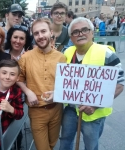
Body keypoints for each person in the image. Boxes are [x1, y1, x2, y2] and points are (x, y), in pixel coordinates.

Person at [58, 17, 124, 150]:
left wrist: (94, 105)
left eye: (84, 30)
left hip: (94, 115)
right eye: (75, 32)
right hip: (70, 110)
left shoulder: (106, 53)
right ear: (71, 38)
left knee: (91, 146)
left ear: (92, 32)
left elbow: (120, 83)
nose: (80, 34)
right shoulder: (67, 53)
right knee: (65, 141)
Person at [17, 18, 66, 150]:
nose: (40, 36)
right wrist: (28, 91)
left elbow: (66, 83)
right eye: (36, 33)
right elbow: (18, 78)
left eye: (43, 31)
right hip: (36, 111)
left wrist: (57, 94)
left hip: (57, 109)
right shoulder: (26, 58)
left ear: (51, 32)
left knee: (52, 143)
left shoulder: (61, 57)